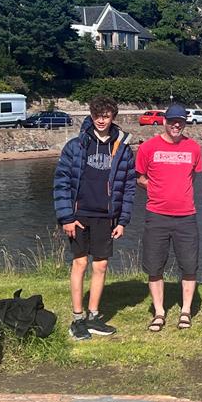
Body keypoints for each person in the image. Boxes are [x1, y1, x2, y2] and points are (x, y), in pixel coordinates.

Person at [54, 96, 135, 341]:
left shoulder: (122, 148)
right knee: (79, 264)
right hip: (79, 215)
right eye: (97, 115)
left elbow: (129, 186)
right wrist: (66, 216)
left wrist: (122, 220)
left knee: (100, 266)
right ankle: (77, 319)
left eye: (106, 116)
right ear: (91, 116)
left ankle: (93, 316)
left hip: (106, 216)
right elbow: (61, 183)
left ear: (113, 117)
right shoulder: (75, 146)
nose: (101, 120)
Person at [135, 104, 202, 333]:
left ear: (185, 122)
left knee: (189, 266)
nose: (177, 125)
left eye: (181, 121)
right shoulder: (148, 147)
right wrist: (156, 189)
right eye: (173, 121)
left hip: (186, 216)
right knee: (154, 267)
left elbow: (190, 176)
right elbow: (140, 177)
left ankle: (185, 311)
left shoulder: (193, 148)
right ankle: (159, 312)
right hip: (156, 215)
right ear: (165, 121)